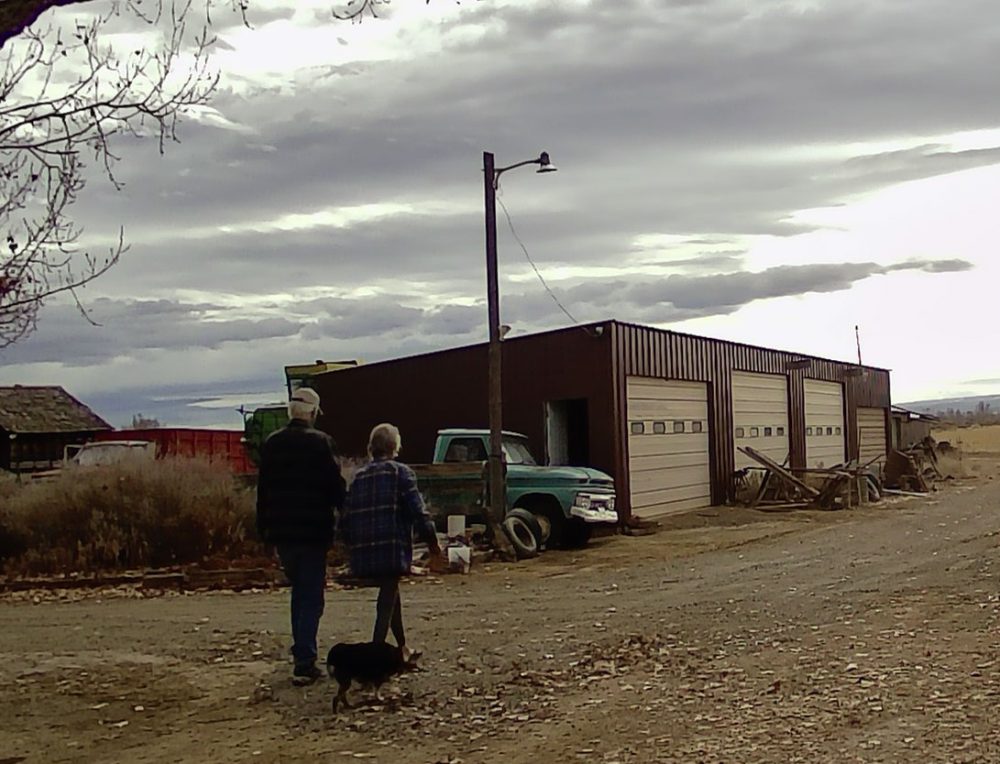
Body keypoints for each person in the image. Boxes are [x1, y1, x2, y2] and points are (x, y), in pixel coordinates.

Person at [256, 386, 345, 685]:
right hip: (312, 531)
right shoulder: (322, 444)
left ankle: (302, 653)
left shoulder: (272, 444)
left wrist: (264, 535)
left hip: (282, 532)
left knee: (299, 593)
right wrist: (346, 521)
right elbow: (336, 487)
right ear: (314, 412)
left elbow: (263, 492)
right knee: (310, 596)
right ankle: (304, 661)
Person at [340, 423, 442, 655]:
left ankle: (402, 647)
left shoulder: (357, 477)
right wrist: (433, 545)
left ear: (371, 447)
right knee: (387, 594)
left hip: (362, 552)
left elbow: (345, 518)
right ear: (395, 447)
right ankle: (375, 654)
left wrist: (350, 548)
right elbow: (419, 513)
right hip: (390, 549)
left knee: (390, 590)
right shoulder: (401, 473)